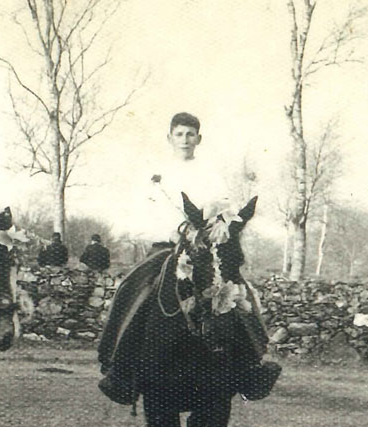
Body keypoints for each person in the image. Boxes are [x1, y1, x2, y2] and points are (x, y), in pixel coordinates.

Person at [97, 112, 279, 405]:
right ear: (170, 138)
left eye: (190, 134)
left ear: (199, 139)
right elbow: (138, 217)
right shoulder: (155, 176)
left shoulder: (211, 175)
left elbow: (223, 214)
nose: (185, 139)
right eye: (179, 134)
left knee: (240, 293)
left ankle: (251, 367)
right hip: (165, 249)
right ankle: (119, 367)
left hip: (203, 250)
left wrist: (207, 231)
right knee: (131, 288)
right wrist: (172, 231)